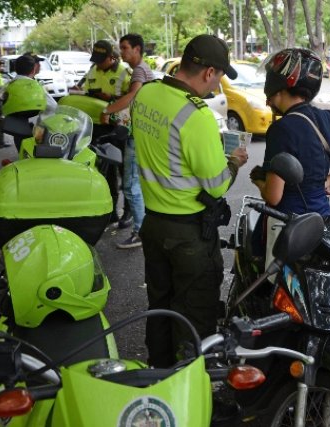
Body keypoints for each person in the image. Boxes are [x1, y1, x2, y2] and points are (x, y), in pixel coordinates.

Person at [132, 34, 248, 368]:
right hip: (189, 235)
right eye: (221, 76)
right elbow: (215, 187)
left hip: (153, 224)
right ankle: (193, 391)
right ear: (209, 72)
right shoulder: (196, 116)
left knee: (161, 307)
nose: (218, 84)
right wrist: (234, 162)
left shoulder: (147, 93)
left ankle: (160, 374)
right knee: (195, 315)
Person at [253, 48, 330, 218]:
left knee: (255, 242)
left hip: (288, 224)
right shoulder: (328, 118)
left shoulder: (281, 129)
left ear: (275, 84)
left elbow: (273, 197)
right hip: (322, 219)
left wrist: (258, 181)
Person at [101, 33, 155, 249]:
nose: (121, 52)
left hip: (137, 136)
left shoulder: (140, 71)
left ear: (137, 49)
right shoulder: (139, 69)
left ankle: (140, 231)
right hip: (140, 132)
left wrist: (108, 110)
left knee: (131, 184)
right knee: (136, 184)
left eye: (124, 48)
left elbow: (133, 95)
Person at [83, 40, 134, 228]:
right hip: (99, 127)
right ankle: (111, 211)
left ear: (111, 57)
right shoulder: (92, 71)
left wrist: (110, 98)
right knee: (105, 171)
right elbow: (85, 92)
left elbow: (133, 98)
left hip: (120, 127)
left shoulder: (124, 73)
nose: (98, 64)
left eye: (101, 60)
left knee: (125, 170)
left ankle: (128, 211)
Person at [0, 53, 57, 151]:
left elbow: (2, 99)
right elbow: (53, 106)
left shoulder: (9, 85)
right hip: (34, 129)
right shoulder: (35, 86)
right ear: (33, 69)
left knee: (22, 152)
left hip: (16, 129)